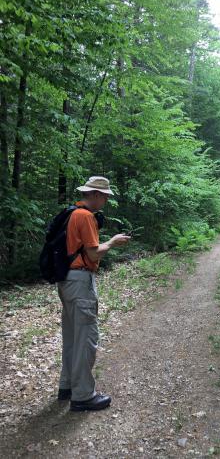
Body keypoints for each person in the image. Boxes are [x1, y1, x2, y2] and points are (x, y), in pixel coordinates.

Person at [57, 176, 130, 411]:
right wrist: (113, 242)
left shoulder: (71, 213)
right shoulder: (86, 216)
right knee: (86, 337)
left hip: (65, 280)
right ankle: (83, 396)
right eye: (105, 196)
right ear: (95, 195)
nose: (106, 200)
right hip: (80, 281)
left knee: (71, 337)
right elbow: (94, 253)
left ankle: (67, 386)